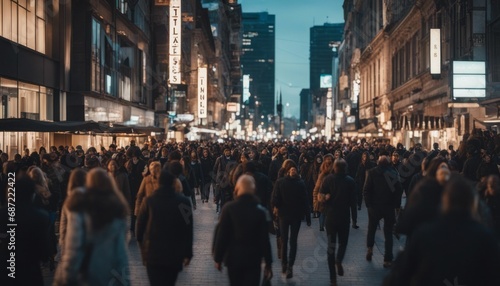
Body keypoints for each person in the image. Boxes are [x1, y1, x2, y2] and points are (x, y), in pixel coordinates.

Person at [384, 175, 500, 286]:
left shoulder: (425, 234)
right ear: (472, 203)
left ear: (445, 201)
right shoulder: (485, 238)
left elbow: (400, 276)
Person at [54, 168, 130, 286]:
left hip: (86, 273)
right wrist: (125, 280)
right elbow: (121, 254)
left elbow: (74, 246)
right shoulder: (117, 210)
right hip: (109, 273)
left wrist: (66, 274)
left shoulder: (81, 209)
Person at [213, 174, 273, 286]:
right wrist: (268, 263)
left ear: (237, 189)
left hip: (233, 259)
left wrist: (218, 258)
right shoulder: (260, 211)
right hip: (253, 259)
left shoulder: (229, 208)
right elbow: (264, 239)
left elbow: (222, 235)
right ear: (254, 190)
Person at [136, 170, 193, 286]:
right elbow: (188, 229)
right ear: (173, 183)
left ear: (158, 183)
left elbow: (139, 229)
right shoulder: (184, 202)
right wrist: (188, 253)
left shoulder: (148, 201)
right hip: (174, 254)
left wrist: (143, 249)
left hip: (153, 253)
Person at [0, 177, 51, 286]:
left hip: (7, 266)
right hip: (30, 269)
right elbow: (44, 250)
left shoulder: (3, 214)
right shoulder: (40, 216)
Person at [319, 159, 357, 286]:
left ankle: (332, 278)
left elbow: (320, 197)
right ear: (345, 168)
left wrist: (325, 198)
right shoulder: (350, 181)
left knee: (331, 246)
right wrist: (354, 218)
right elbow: (353, 202)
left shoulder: (328, 179)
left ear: (334, 168)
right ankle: (339, 260)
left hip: (330, 217)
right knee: (343, 242)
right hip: (344, 217)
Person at [272, 162, 310, 278]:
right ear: (289, 171)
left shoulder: (283, 182)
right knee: (289, 241)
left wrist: (308, 217)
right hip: (292, 215)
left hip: (287, 215)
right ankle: (288, 265)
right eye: (292, 169)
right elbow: (305, 200)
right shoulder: (298, 183)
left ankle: (287, 265)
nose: (293, 171)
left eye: (294, 169)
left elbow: (275, 199)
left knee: (287, 240)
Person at [364, 155, 403, 268]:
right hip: (388, 207)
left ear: (378, 163)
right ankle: (387, 259)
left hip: (374, 207)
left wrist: (369, 205)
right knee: (388, 233)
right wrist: (397, 205)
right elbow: (398, 191)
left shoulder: (371, 173)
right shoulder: (393, 173)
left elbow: (366, 190)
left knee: (371, 229)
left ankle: (370, 249)